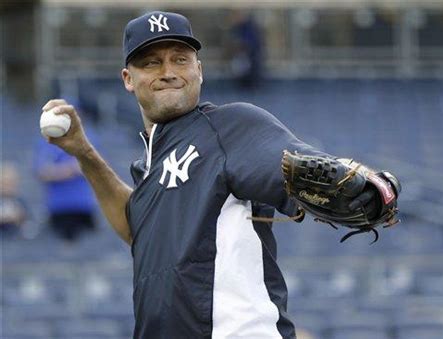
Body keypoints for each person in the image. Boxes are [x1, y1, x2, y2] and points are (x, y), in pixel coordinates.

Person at [41, 11, 396, 338]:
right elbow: (138, 230)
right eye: (151, 62)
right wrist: (84, 152)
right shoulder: (149, 165)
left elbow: (307, 162)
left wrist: (368, 184)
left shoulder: (230, 127)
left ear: (199, 69)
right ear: (128, 79)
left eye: (180, 59)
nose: (168, 71)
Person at [34, 104, 98, 242]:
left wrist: (61, 171)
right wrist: (69, 170)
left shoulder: (89, 138)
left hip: (84, 205)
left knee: (91, 247)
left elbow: (97, 166)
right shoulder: (46, 142)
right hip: (58, 206)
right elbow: (43, 172)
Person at [0, 161, 27, 236]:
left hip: (15, 236)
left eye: (11, 183)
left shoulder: (19, 200)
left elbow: (25, 220)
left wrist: (18, 216)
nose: (7, 187)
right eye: (4, 183)